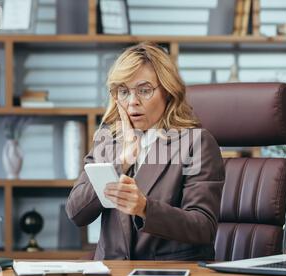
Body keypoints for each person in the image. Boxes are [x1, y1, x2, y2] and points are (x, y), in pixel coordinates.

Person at [66, 42, 224, 260]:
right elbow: (76, 212)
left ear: (168, 92)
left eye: (144, 90)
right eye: (124, 91)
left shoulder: (196, 143)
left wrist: (145, 208)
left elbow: (203, 227)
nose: (133, 102)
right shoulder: (108, 139)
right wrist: (121, 161)